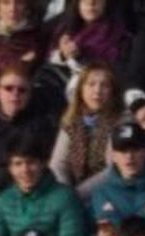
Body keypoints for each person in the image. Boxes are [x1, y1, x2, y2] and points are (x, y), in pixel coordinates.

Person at [0, 65, 57, 187]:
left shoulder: (42, 124)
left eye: (22, 90)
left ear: (29, 95)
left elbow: (47, 163)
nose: (15, 94)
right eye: (8, 88)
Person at [50, 63, 126, 195]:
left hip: (108, 192)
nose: (97, 91)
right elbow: (58, 165)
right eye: (91, 84)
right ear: (81, 90)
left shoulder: (121, 120)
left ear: (113, 91)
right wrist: (66, 194)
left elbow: (114, 168)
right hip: (71, 192)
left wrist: (78, 194)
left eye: (104, 85)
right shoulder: (71, 120)